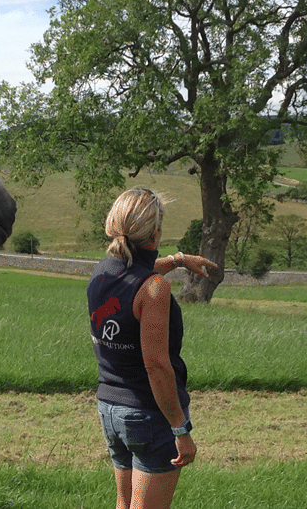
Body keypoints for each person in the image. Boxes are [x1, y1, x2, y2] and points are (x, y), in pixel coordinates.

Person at [88, 188, 215, 509]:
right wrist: (181, 429)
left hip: (110, 410)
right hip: (148, 415)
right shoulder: (154, 290)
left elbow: (134, 271)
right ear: (156, 233)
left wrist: (178, 261)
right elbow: (157, 366)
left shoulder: (101, 272)